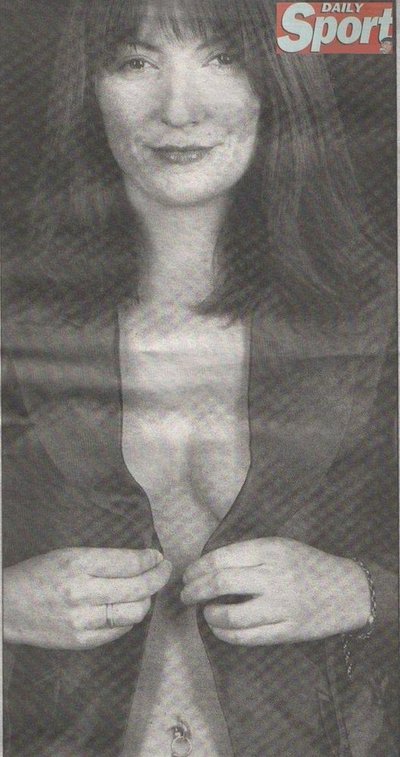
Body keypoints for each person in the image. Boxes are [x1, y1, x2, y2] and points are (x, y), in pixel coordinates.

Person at [3, 0, 397, 755]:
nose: (178, 108)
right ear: (88, 90)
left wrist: (366, 592)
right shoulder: (14, 322)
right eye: (135, 61)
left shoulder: (378, 320)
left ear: (276, 83)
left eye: (223, 57)